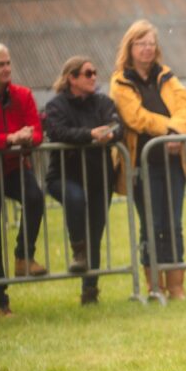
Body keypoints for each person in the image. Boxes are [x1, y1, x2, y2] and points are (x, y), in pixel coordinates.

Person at [109, 19, 186, 300]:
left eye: (151, 43)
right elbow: (135, 117)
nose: (147, 49)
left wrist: (177, 132)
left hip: (173, 162)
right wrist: (168, 130)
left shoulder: (167, 75)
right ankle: (153, 285)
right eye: (141, 43)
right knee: (152, 224)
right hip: (142, 164)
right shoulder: (121, 80)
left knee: (174, 223)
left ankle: (177, 286)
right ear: (130, 47)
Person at [44, 56, 123, 305]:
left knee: (96, 233)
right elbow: (57, 131)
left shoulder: (103, 101)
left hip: (99, 177)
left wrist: (108, 133)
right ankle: (78, 250)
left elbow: (118, 125)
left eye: (94, 72)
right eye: (88, 73)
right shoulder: (56, 105)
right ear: (72, 78)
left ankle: (90, 290)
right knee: (76, 199)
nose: (93, 77)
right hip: (64, 176)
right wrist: (90, 134)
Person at [0, 42, 47, 316]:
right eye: (0, 64)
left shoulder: (22, 94)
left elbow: (36, 131)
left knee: (35, 197)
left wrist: (25, 138)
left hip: (12, 166)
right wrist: (8, 139)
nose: (7, 69)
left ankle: (24, 255)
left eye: (8, 63)